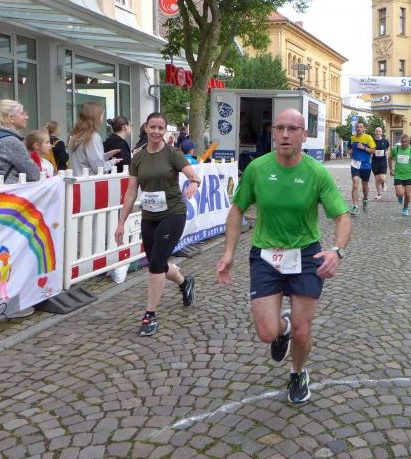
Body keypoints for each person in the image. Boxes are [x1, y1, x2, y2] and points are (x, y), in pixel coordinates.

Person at [216, 108, 351, 404]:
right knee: (267, 333)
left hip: (306, 256)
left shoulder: (316, 172)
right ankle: (283, 328)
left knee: (303, 333)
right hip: (265, 256)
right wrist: (228, 252)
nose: (285, 134)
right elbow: (237, 210)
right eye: (279, 128)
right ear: (273, 133)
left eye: (293, 129)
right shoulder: (257, 169)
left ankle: (297, 372)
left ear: (304, 135)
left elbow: (342, 217)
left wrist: (337, 251)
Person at [114, 112, 202, 336]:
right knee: (157, 261)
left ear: (164, 131)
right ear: (146, 128)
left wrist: (193, 183)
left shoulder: (172, 154)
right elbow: (131, 191)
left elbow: (194, 176)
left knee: (155, 265)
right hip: (149, 216)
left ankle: (150, 315)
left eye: (160, 128)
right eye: (152, 127)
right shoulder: (138, 158)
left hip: (172, 214)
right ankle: (184, 282)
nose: (156, 131)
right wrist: (121, 223)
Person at [0, 100, 40, 184]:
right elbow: (34, 175)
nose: (27, 117)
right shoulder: (11, 141)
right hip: (8, 188)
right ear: (11, 117)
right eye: (22, 113)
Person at [68, 102, 121, 175]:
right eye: (102, 114)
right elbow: (99, 168)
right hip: (91, 180)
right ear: (96, 116)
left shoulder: (74, 136)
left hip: (77, 180)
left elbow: (84, 160)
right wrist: (112, 162)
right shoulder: (93, 137)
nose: (103, 116)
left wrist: (106, 155)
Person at [389, 133, 411, 217]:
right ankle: (400, 197)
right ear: (400, 141)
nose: (404, 143)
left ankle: (405, 208)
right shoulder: (396, 149)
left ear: (409, 142)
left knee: (407, 194)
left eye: (406, 142)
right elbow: (390, 158)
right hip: (398, 175)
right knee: (400, 193)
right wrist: (391, 169)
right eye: (402, 141)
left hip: (409, 175)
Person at [347, 122, 376, 215]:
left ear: (364, 129)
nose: (359, 128)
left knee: (365, 186)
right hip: (355, 164)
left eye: (360, 127)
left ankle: (365, 198)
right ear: (355, 129)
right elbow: (349, 150)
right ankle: (355, 206)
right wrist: (350, 151)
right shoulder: (351, 139)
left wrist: (363, 148)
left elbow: (373, 151)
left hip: (365, 165)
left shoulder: (368, 138)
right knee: (355, 184)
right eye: (357, 127)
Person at [371, 127, 390, 199]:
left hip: (383, 161)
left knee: (382, 178)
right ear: (375, 132)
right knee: (377, 179)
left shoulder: (385, 141)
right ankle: (379, 194)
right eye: (377, 131)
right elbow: (370, 149)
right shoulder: (372, 141)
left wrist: (387, 152)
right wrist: (370, 152)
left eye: (379, 131)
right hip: (374, 162)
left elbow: (388, 149)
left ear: (381, 132)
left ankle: (383, 183)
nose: (378, 132)